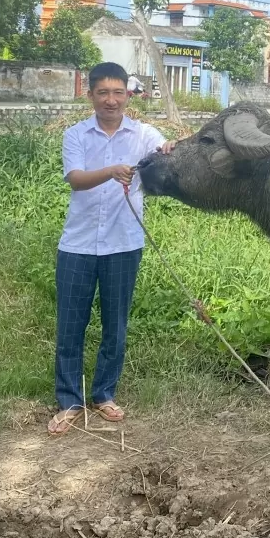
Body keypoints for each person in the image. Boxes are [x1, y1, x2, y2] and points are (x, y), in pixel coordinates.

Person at [47, 61, 175, 435]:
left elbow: (166, 148)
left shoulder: (143, 133)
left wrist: (168, 148)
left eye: (118, 92)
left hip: (123, 243)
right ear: (90, 96)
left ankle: (103, 394)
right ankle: (70, 400)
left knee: (114, 325)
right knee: (71, 324)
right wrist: (111, 170)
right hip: (78, 244)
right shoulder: (76, 136)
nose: (111, 100)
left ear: (128, 96)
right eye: (103, 92)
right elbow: (75, 180)